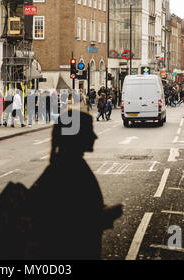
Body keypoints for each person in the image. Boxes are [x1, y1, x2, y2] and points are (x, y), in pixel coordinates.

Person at [27, 110, 123, 259]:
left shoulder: (64, 165)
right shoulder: (69, 169)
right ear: (76, 136)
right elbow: (70, 225)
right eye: (89, 131)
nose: (95, 136)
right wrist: (105, 215)